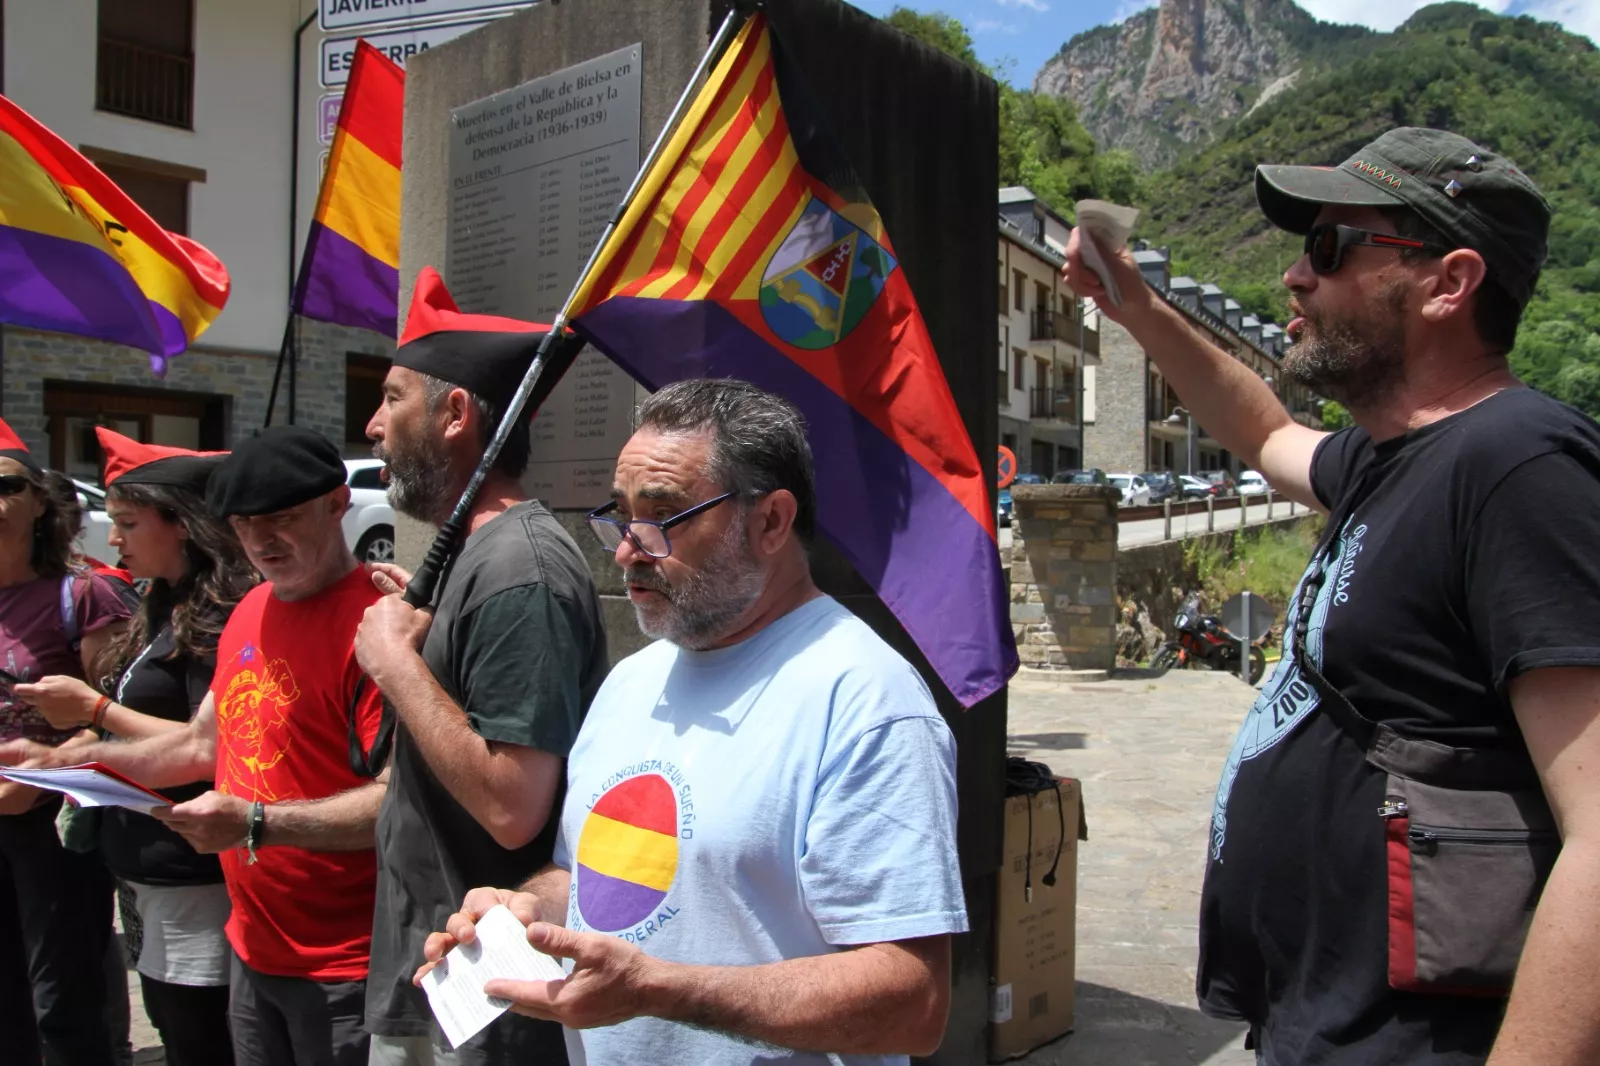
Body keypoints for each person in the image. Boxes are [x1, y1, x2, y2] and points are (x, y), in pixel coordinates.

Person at [1062, 127, 1600, 1064]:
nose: (1294, 280)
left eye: (1328, 248)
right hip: (1322, 1028)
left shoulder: (1519, 467)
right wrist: (1136, 306)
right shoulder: (1392, 460)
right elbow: (1262, 429)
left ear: (1448, 282)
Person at [416, 379, 966, 1065]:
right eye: (618, 516)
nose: (624, 550)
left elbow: (913, 1004)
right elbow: (585, 880)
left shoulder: (866, 701)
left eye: (662, 516)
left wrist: (658, 991)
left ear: (770, 522)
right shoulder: (631, 682)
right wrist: (525, 913)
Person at [1, 426, 390, 1066]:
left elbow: (396, 803)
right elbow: (200, 743)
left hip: (344, 961)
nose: (263, 541)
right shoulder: (253, 607)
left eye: (282, 519)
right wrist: (63, 761)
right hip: (252, 942)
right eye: (244, 524)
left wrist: (256, 823)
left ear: (337, 504)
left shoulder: (380, 622)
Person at [356, 267, 607, 1065]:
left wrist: (398, 665)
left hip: (487, 1012)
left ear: (456, 414)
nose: (373, 424)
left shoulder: (519, 571)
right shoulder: (477, 560)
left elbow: (514, 806)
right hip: (433, 981)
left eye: (393, 398)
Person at [17, 429, 256, 1066]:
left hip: (192, 868)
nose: (113, 538)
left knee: (200, 1035)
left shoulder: (223, 614)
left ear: (181, 524)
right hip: (144, 867)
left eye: (127, 522)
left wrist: (93, 713)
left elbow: (210, 745)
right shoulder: (157, 603)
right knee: (173, 1026)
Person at [0, 418, 133, 1066]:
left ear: (39, 504)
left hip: (46, 829)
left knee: (60, 1006)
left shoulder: (81, 594)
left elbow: (119, 715)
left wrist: (43, 771)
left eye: (5, 486)